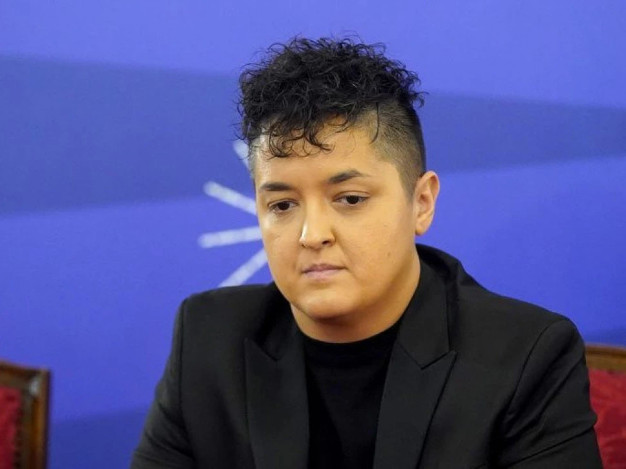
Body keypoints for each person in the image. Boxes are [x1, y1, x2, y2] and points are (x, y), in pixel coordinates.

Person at [131, 37, 602, 469]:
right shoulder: (209, 339)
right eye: (282, 205)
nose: (312, 234)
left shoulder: (525, 357)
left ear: (421, 203)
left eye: (350, 199)